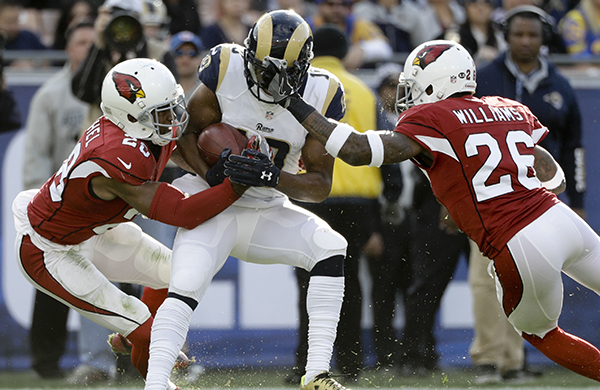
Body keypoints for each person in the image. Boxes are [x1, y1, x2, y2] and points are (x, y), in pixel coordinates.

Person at [259, 38, 600, 384]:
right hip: (562, 220)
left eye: (415, 82)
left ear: (438, 80)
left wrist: (292, 102)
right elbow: (552, 176)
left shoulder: (433, 117)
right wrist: (475, 197)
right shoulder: (506, 107)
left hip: (519, 242)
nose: (410, 92)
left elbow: (358, 150)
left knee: (541, 333)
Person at [13, 57, 260, 390]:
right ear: (131, 118)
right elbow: (182, 212)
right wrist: (235, 185)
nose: (173, 120)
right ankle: (157, 379)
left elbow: (178, 146)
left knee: (179, 275)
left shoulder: (137, 129)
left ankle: (135, 342)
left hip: (93, 230)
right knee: (145, 325)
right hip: (48, 249)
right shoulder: (116, 154)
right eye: (162, 114)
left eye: (173, 107)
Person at [144, 10, 349, 390]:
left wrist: (273, 175)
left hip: (265, 207)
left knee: (330, 246)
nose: (270, 80)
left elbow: (320, 185)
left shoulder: (324, 91)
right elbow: (182, 136)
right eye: (261, 67)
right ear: (247, 54)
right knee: (186, 281)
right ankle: (157, 382)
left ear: (303, 66)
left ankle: (317, 373)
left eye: (282, 71)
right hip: (210, 202)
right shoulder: (226, 66)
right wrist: (213, 174)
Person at [471, 5, 584, 382]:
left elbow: (574, 148)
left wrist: (578, 202)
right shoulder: (483, 79)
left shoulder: (560, 86)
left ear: (544, 38)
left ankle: (514, 360)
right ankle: (489, 357)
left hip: (542, 204)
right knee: (486, 280)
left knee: (534, 280)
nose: (525, 41)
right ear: (506, 36)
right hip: (490, 201)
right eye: (518, 34)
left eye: (532, 35)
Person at [285, 24, 382, 385]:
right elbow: (376, 150)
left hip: (309, 194)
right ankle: (352, 362)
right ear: (344, 53)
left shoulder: (300, 88)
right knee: (350, 284)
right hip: (357, 200)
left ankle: (305, 363)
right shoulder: (363, 91)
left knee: (308, 285)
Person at [21, 20, 116, 384]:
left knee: (117, 278)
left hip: (103, 202)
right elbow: (35, 155)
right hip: (58, 203)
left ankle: (119, 357)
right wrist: (38, 200)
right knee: (52, 283)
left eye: (95, 43)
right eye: (81, 42)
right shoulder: (51, 94)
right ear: (68, 49)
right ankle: (46, 360)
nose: (88, 48)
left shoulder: (114, 91)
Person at [307, 0, 393, 69]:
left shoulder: (356, 24)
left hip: (347, 75)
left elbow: (385, 48)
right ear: (320, 6)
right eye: (330, 4)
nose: (336, 9)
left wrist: (363, 50)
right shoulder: (308, 25)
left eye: (342, 4)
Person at [170, 30, 204, 99]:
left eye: (192, 54)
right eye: (179, 53)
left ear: (201, 60)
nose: (185, 58)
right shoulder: (163, 88)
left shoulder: (206, 92)